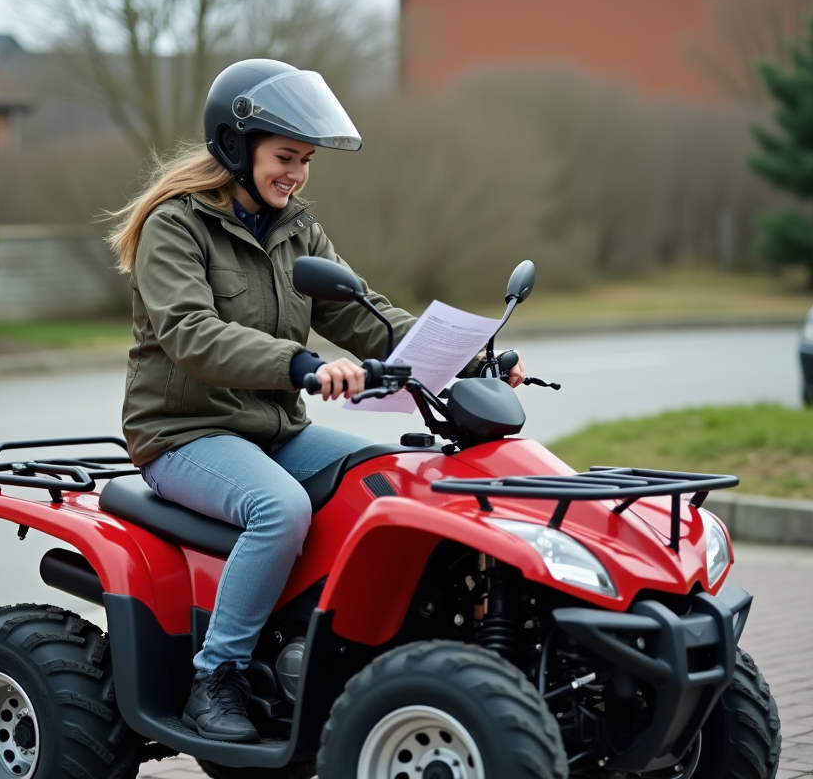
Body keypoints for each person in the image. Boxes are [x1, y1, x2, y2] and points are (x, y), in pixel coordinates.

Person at [108, 59, 525, 743]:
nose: (295, 174)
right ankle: (217, 674)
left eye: (304, 161)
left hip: (273, 430)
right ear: (236, 149)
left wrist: (474, 359)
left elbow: (364, 317)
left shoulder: (295, 226)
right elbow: (190, 335)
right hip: (185, 433)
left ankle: (365, 649)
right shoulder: (175, 226)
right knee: (279, 508)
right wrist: (299, 364)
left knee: (391, 480)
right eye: (283, 157)